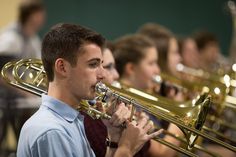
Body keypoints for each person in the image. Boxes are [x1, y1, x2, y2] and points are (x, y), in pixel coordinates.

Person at [17, 23, 162, 157]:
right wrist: (126, 148)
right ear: (62, 67)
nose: (103, 74)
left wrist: (113, 140)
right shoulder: (52, 131)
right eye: (93, 65)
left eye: (102, 65)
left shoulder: (71, 120)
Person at [113, 34, 183, 157]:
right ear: (131, 68)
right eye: (151, 63)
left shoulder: (144, 96)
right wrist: (182, 117)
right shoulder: (124, 104)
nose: (157, 70)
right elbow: (162, 152)